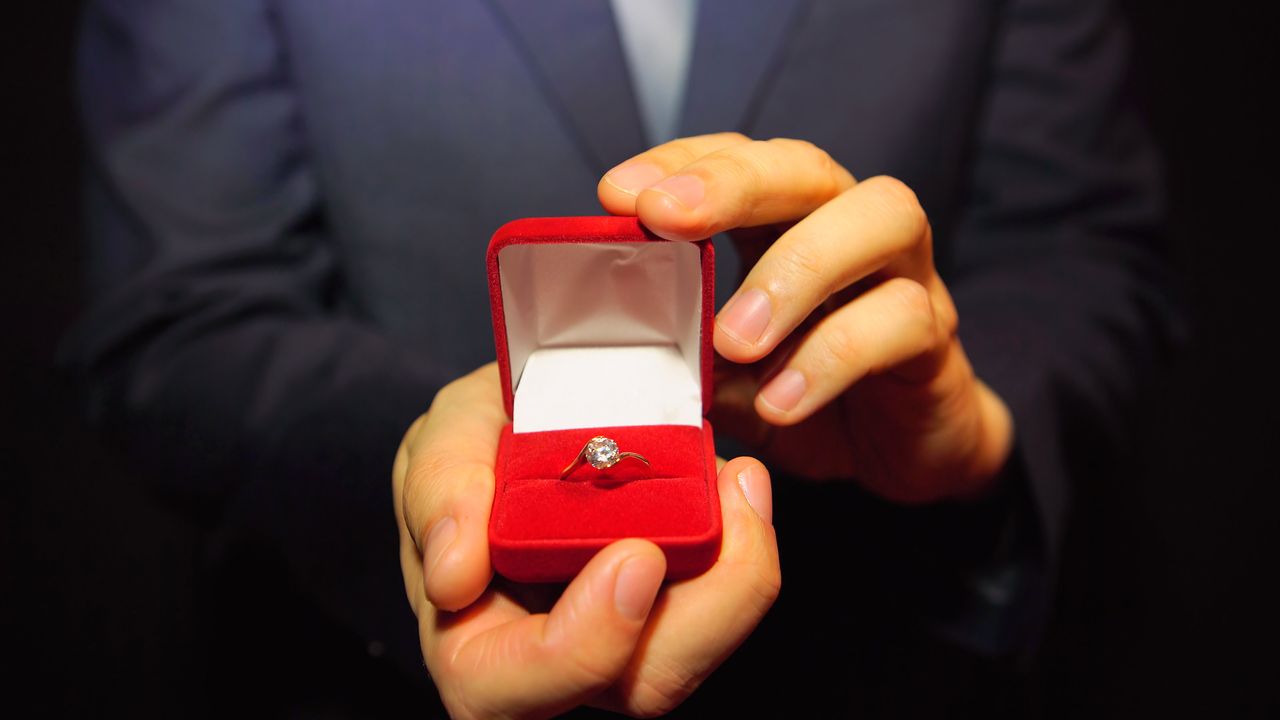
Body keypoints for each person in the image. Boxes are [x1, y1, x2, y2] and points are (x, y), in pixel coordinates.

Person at [65, 0, 1181, 716]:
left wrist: (979, 436)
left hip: (879, 665)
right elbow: (180, 307)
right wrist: (416, 470)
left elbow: (1080, 245)